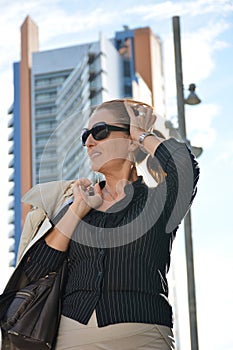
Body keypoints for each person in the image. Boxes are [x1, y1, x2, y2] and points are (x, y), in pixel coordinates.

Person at [3, 99, 199, 350]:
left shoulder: (158, 203)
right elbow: (37, 268)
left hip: (145, 335)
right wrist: (78, 210)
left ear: (129, 140)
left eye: (100, 132)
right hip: (73, 338)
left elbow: (185, 169)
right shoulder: (77, 204)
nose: (89, 142)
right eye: (86, 136)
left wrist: (142, 136)